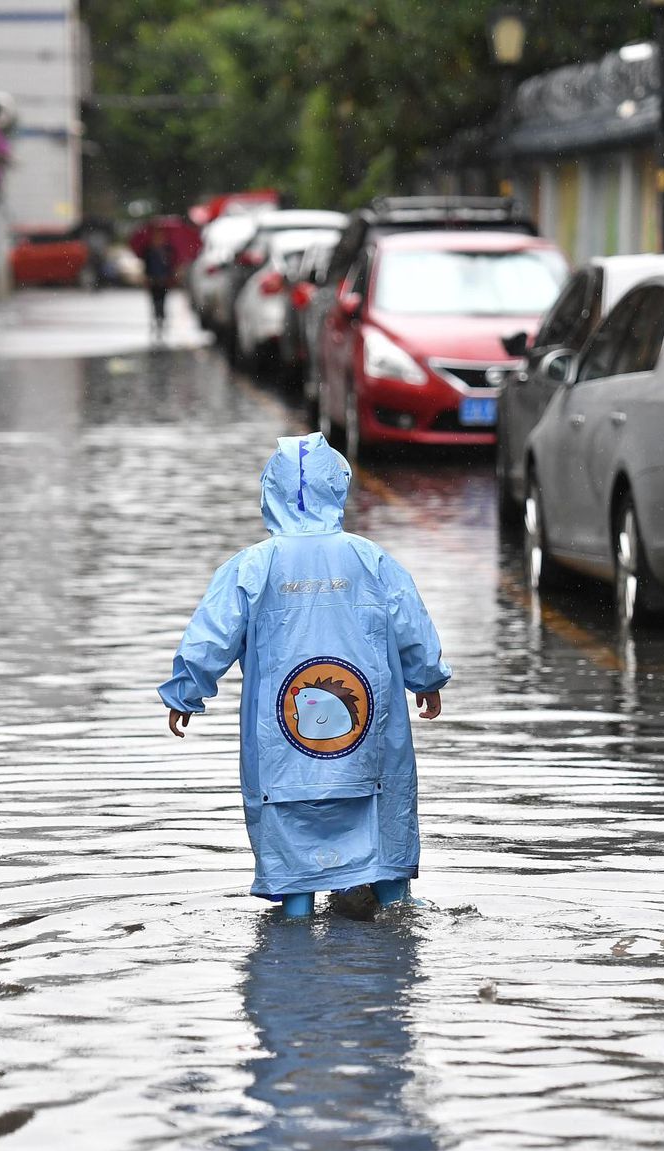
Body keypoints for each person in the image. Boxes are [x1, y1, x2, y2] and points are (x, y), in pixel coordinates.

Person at [158, 433, 451, 918]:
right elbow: (413, 627)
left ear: (268, 492)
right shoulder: (370, 559)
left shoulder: (252, 567)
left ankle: (293, 945)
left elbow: (212, 634)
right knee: (383, 840)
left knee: (294, 860)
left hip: (284, 755)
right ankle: (393, 919)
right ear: (338, 489)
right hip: (369, 747)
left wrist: (185, 692)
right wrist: (427, 680)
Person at [141, 231, 176, 336]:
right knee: (155, 302)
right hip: (153, 280)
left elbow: (171, 265)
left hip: (164, 281)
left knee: (162, 302)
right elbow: (146, 266)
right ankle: (156, 321)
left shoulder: (168, 250)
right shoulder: (148, 251)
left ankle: (161, 321)